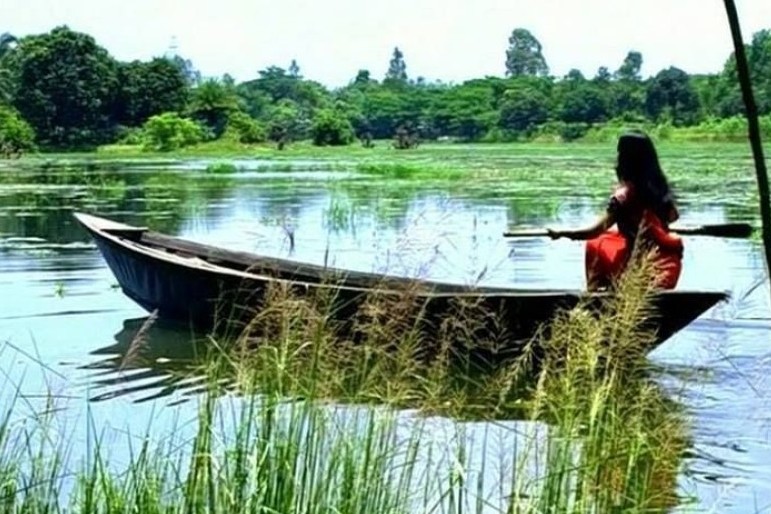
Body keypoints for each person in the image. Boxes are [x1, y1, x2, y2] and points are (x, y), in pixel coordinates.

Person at [547, 130, 684, 291]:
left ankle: (594, 294)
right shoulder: (660, 188)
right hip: (668, 265)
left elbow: (594, 231)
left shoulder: (623, 196)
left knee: (596, 243)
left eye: (619, 153)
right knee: (610, 236)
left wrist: (562, 233)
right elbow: (673, 217)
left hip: (638, 270)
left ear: (625, 159)